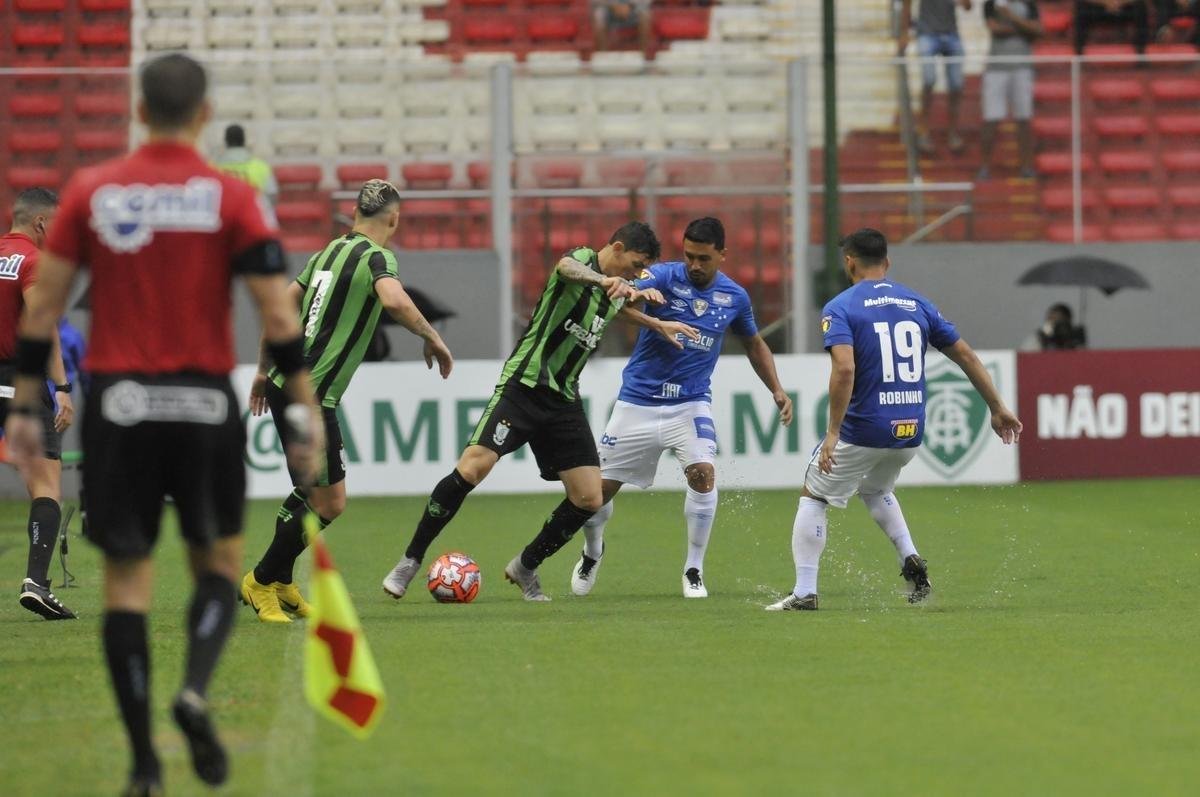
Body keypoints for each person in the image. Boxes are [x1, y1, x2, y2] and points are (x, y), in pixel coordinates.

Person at [3, 53, 323, 795]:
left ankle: (145, 760)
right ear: (205, 115)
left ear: (138, 112)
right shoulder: (231, 197)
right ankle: (193, 691)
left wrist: (25, 400)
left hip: (119, 405)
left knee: (126, 583)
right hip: (205, 403)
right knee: (217, 565)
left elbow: (42, 308)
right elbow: (279, 313)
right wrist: (301, 412)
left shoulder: (91, 191)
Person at [381, 222, 697, 602]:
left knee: (589, 498)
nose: (635, 272)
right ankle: (410, 560)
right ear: (616, 247)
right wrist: (605, 283)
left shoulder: (615, 288)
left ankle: (525, 566)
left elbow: (616, 309)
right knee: (471, 468)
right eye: (635, 263)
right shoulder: (583, 262)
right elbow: (566, 268)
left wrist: (654, 323)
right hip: (524, 386)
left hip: (563, 399)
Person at [766, 229, 1022, 611]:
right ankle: (910, 558)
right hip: (909, 431)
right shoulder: (916, 302)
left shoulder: (840, 306)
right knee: (874, 489)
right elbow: (965, 355)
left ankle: (805, 592)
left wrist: (833, 433)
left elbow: (845, 370)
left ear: (849, 261)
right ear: (887, 262)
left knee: (815, 495)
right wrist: (997, 406)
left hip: (864, 427)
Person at [241, 178, 454, 623]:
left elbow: (280, 305)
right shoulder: (378, 257)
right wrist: (433, 337)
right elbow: (393, 299)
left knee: (311, 491)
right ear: (394, 218)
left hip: (289, 383)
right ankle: (260, 581)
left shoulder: (327, 253)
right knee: (330, 502)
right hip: (310, 394)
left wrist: (262, 369)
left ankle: (279, 581)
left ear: (356, 212)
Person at [571, 217, 794, 599]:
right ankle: (593, 552)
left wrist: (776, 389)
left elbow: (754, 344)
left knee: (703, 473)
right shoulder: (660, 276)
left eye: (704, 258)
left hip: (689, 405)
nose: (694, 264)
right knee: (595, 494)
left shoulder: (735, 298)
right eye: (689, 255)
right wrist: (638, 295)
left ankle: (693, 567)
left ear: (722, 255)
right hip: (637, 402)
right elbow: (618, 296)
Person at [0, 188, 77, 620]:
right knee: (46, 484)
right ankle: (36, 584)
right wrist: (62, 386)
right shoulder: (34, 262)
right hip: (20, 383)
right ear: (42, 223)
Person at [979, 0, 1043, 180]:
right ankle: (985, 166)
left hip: (1022, 67)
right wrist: (1023, 28)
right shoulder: (991, 4)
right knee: (991, 118)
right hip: (996, 68)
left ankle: (1026, 166)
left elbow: (1038, 30)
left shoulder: (1028, 4)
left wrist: (1010, 17)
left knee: (1024, 119)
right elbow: (995, 29)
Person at [898, 0, 973, 155]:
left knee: (956, 85)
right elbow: (907, 4)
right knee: (929, 79)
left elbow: (968, 6)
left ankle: (953, 132)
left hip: (951, 33)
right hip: (927, 33)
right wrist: (904, 33)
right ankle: (924, 131)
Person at [214, 123, 279, 206]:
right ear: (244, 141)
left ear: (226, 141)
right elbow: (272, 194)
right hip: (254, 216)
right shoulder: (260, 166)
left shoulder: (213, 168)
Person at [1074, 0, 1150, 54]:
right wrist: (1107, 2)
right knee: (1082, 8)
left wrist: (1118, 2)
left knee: (1140, 7)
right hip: (1098, 8)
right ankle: (1078, 55)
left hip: (1124, 8)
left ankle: (1140, 52)